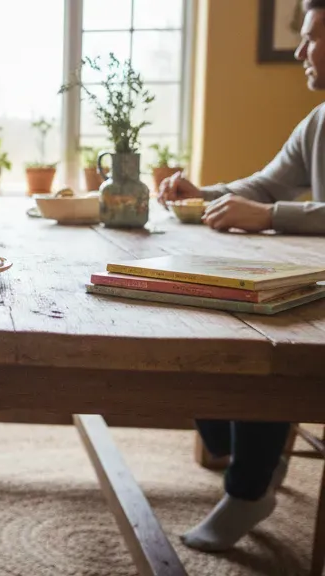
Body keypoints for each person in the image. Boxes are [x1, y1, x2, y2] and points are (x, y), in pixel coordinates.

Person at [158, 0, 325, 552]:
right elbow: (267, 184)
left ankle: (250, 489)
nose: (300, 50)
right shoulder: (320, 120)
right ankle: (248, 450)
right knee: (196, 308)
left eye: (311, 38)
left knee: (263, 339)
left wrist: (273, 218)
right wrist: (202, 192)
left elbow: (270, 207)